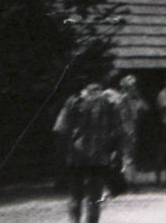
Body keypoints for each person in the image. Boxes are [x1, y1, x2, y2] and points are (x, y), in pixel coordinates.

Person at [54, 72, 126, 223]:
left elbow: (60, 130)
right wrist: (118, 156)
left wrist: (61, 158)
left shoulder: (74, 101)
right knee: (94, 199)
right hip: (99, 157)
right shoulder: (109, 103)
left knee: (75, 197)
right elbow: (119, 132)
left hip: (75, 156)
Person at [113, 74, 149, 186]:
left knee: (130, 154)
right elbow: (119, 115)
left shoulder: (133, 99)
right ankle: (126, 180)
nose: (134, 88)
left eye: (134, 86)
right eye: (132, 86)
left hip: (131, 128)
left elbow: (145, 108)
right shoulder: (122, 99)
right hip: (124, 129)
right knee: (125, 154)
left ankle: (130, 179)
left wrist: (138, 97)